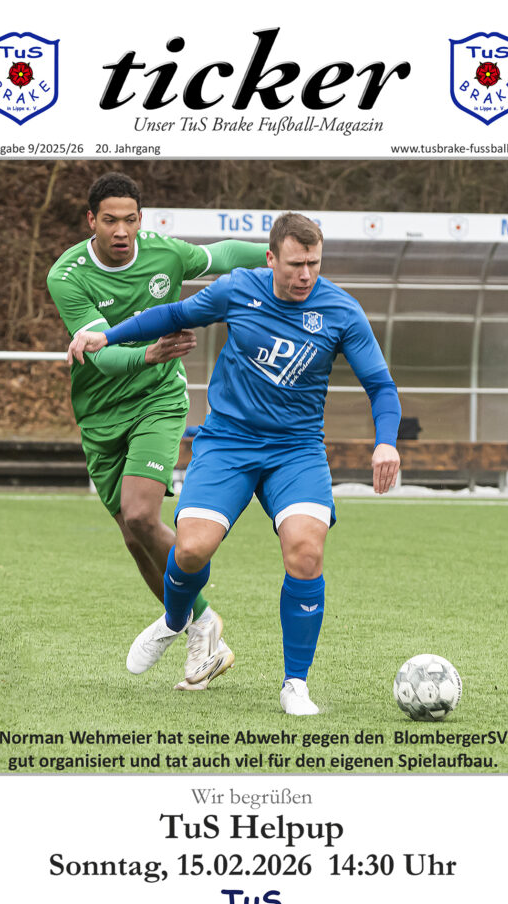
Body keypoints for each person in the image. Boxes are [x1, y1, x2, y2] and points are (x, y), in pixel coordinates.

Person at [67, 213, 401, 713]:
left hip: (296, 450)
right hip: (228, 442)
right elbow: (174, 314)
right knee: (190, 550)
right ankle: (175, 621)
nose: (305, 275)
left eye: (313, 264)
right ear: (270, 259)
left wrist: (386, 442)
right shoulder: (238, 289)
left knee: (306, 552)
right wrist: (108, 337)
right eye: (295, 264)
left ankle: (295, 684)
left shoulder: (341, 311)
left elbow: (380, 385)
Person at [47, 172, 269, 690]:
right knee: (134, 537)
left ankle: (198, 621)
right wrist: (147, 352)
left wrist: (282, 255)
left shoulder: (165, 253)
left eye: (130, 220)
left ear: (140, 219)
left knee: (142, 514)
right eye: (110, 221)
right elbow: (98, 356)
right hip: (100, 414)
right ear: (91, 221)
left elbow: (224, 254)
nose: (121, 231)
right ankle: (202, 628)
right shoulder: (68, 276)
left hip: (158, 401)